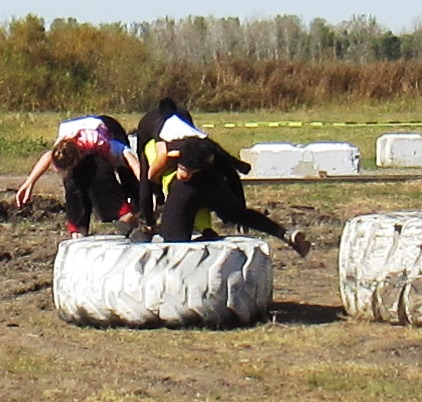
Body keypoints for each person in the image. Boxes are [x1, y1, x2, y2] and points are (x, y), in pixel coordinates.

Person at [159, 137, 311, 257]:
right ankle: (284, 234)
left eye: (188, 171)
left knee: (172, 243)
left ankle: (208, 243)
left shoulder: (164, 149)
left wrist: (149, 216)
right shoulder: (214, 154)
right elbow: (234, 176)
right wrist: (239, 208)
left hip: (187, 191)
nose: (184, 174)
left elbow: (148, 176)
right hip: (216, 185)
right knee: (237, 214)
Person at [135, 97, 250, 239]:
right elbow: (146, 184)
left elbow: (229, 170)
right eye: (185, 170)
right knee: (148, 175)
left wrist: (241, 210)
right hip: (157, 132)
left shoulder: (203, 145)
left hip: (185, 133)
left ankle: (204, 226)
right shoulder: (159, 148)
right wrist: (149, 220)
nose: (187, 175)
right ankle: (158, 208)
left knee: (217, 167)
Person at [16, 115, 142, 239]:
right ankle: (78, 226)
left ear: (80, 156)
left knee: (99, 173)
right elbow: (49, 156)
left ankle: (127, 215)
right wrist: (29, 183)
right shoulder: (62, 147)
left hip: (109, 126)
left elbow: (131, 162)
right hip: (78, 131)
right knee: (73, 181)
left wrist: (145, 186)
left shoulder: (101, 143)